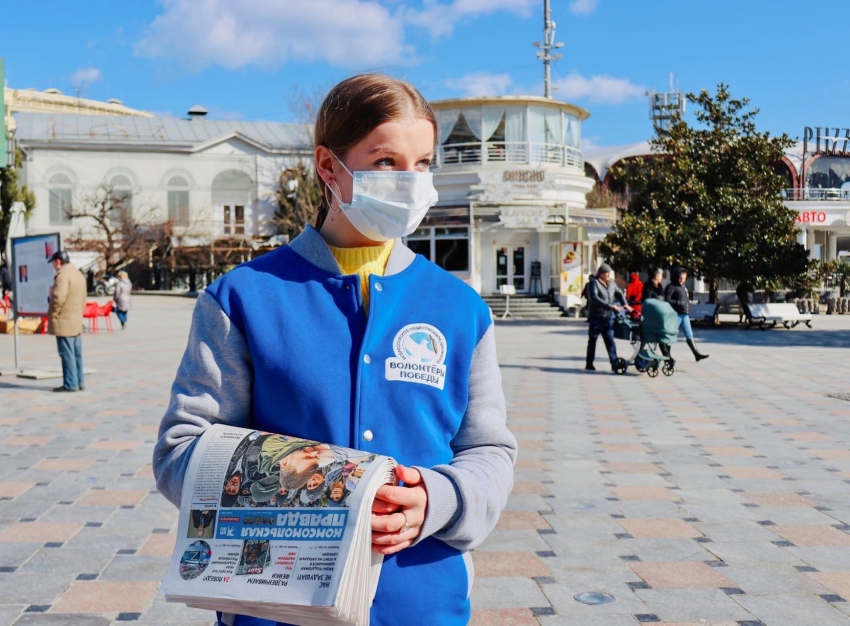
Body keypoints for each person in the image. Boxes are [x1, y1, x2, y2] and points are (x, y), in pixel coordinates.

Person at [153, 73, 517, 626]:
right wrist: (323, 490)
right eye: (386, 162)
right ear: (328, 166)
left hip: (423, 604)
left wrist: (437, 500)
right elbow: (181, 451)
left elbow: (488, 450)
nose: (411, 181)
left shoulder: (461, 308)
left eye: (422, 163)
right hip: (276, 608)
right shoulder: (240, 299)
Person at [47, 251, 87, 392]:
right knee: (76, 354)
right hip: (75, 320)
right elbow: (83, 298)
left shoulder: (63, 276)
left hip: (63, 321)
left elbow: (58, 298)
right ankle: (79, 381)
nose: (52, 265)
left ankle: (70, 384)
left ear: (58, 261)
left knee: (67, 354)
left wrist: (53, 314)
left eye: (53, 262)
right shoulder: (78, 274)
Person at [585, 263, 630, 372]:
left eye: (609, 273)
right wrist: (609, 306)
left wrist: (625, 304)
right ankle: (589, 364)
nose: (608, 275)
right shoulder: (594, 283)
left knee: (610, 341)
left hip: (608, 317)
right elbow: (594, 298)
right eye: (606, 273)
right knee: (592, 341)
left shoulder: (612, 283)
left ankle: (614, 364)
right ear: (601, 274)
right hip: (596, 317)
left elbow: (619, 293)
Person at [665, 266, 709, 362]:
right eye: (680, 278)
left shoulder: (683, 287)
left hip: (684, 314)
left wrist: (688, 305)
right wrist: (679, 303)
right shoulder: (671, 287)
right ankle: (667, 356)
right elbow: (667, 300)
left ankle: (696, 354)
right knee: (671, 335)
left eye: (684, 279)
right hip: (676, 314)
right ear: (675, 277)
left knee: (689, 334)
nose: (682, 280)